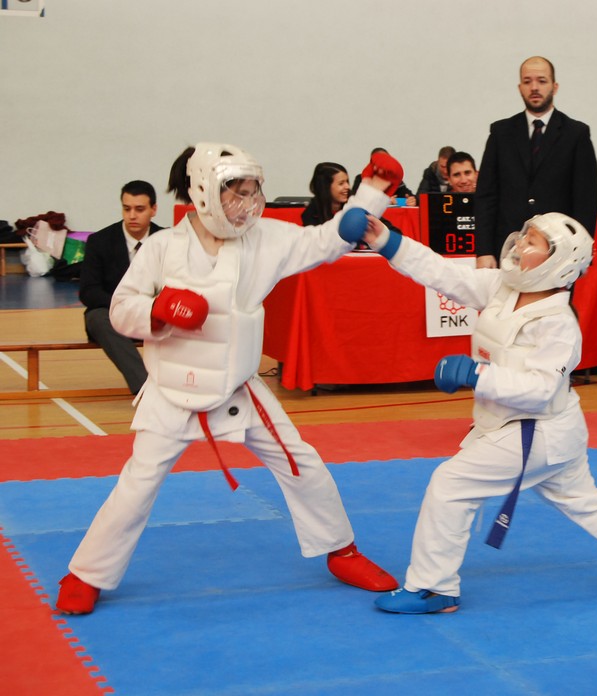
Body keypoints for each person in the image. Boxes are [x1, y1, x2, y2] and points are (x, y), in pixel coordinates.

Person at [55, 142, 405, 614]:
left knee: (301, 463)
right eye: (234, 194)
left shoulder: (265, 238)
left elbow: (324, 241)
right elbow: (119, 308)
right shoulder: (162, 247)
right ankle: (87, 573)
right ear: (202, 192)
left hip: (237, 387)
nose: (245, 205)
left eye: (250, 192)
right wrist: (157, 310)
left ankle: (341, 550)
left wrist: (373, 192)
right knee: (137, 485)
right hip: (171, 392)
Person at [339, 211, 597, 614]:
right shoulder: (501, 287)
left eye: (533, 242)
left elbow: (539, 390)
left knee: (450, 485)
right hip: (531, 429)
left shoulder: (557, 324)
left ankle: (434, 588)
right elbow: (442, 273)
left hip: (538, 433)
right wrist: (385, 241)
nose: (519, 245)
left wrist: (476, 374)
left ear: (559, 263)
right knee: (589, 504)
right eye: (523, 235)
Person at [474, 56, 597, 269]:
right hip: (506, 249)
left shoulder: (576, 134)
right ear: (520, 87)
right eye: (527, 81)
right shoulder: (500, 133)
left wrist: (580, 253)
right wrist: (483, 251)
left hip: (558, 253)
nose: (534, 87)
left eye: (541, 81)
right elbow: (486, 196)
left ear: (554, 86)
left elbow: (585, 201)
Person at [79, 181, 163, 394]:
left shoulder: (168, 240)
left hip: (156, 315)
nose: (132, 215)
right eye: (127, 209)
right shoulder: (99, 241)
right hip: (116, 317)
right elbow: (88, 291)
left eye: (139, 209)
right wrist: (125, 305)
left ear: (154, 210)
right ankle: (145, 389)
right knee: (96, 317)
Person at [303, 161, 401, 250]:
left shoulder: (355, 205)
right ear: (325, 187)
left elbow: (393, 232)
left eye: (347, 182)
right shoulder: (311, 213)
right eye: (341, 183)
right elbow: (316, 246)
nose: (347, 187)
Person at [352, 148, 416, 206]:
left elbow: (410, 196)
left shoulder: (395, 180)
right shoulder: (361, 179)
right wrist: (384, 202)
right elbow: (355, 199)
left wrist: (414, 200)